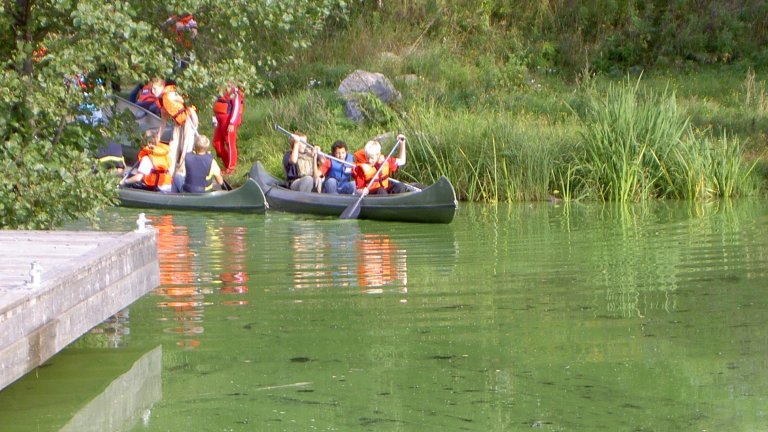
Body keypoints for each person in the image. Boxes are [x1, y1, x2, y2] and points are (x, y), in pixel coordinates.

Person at [151, 78, 198, 177]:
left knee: (185, 148)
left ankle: (182, 173)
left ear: (162, 87)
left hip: (188, 121)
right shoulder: (161, 101)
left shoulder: (170, 95)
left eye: (155, 89)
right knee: (173, 146)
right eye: (152, 89)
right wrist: (159, 136)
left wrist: (195, 122)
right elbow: (163, 121)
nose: (153, 91)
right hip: (178, 123)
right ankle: (170, 172)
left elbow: (186, 103)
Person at [212, 81, 244, 174]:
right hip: (219, 121)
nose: (227, 85)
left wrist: (232, 123)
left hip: (229, 121)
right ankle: (227, 165)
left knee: (230, 143)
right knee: (216, 143)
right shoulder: (221, 93)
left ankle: (231, 168)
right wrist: (214, 122)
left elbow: (236, 109)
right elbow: (216, 107)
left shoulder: (235, 94)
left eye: (229, 84)